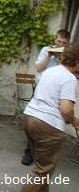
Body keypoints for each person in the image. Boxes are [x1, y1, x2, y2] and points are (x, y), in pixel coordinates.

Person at [16, 43, 79, 192]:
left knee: (42, 166)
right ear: (77, 62)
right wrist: (74, 120)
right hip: (49, 125)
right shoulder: (70, 79)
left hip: (30, 117)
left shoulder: (50, 71)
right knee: (43, 169)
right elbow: (66, 109)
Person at [21, 29, 70, 165]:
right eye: (59, 41)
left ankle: (45, 152)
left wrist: (61, 58)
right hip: (42, 88)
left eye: (64, 43)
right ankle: (29, 152)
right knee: (34, 118)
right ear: (55, 40)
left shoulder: (68, 56)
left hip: (58, 91)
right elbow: (39, 68)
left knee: (53, 120)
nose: (60, 44)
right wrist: (49, 56)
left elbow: (66, 71)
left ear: (68, 43)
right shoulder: (46, 50)